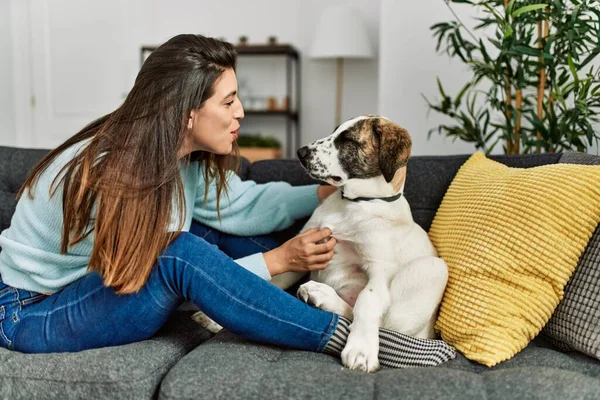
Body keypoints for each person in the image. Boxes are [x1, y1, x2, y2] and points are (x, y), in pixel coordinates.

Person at [0, 34, 454, 370]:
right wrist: (276, 261)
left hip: (93, 285)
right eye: (230, 100)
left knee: (225, 235)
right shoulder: (112, 168)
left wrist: (321, 195)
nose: (241, 113)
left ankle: (323, 302)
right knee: (182, 250)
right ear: (187, 112)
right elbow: (158, 265)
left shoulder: (175, 160)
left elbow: (242, 205)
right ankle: (348, 333)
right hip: (31, 311)